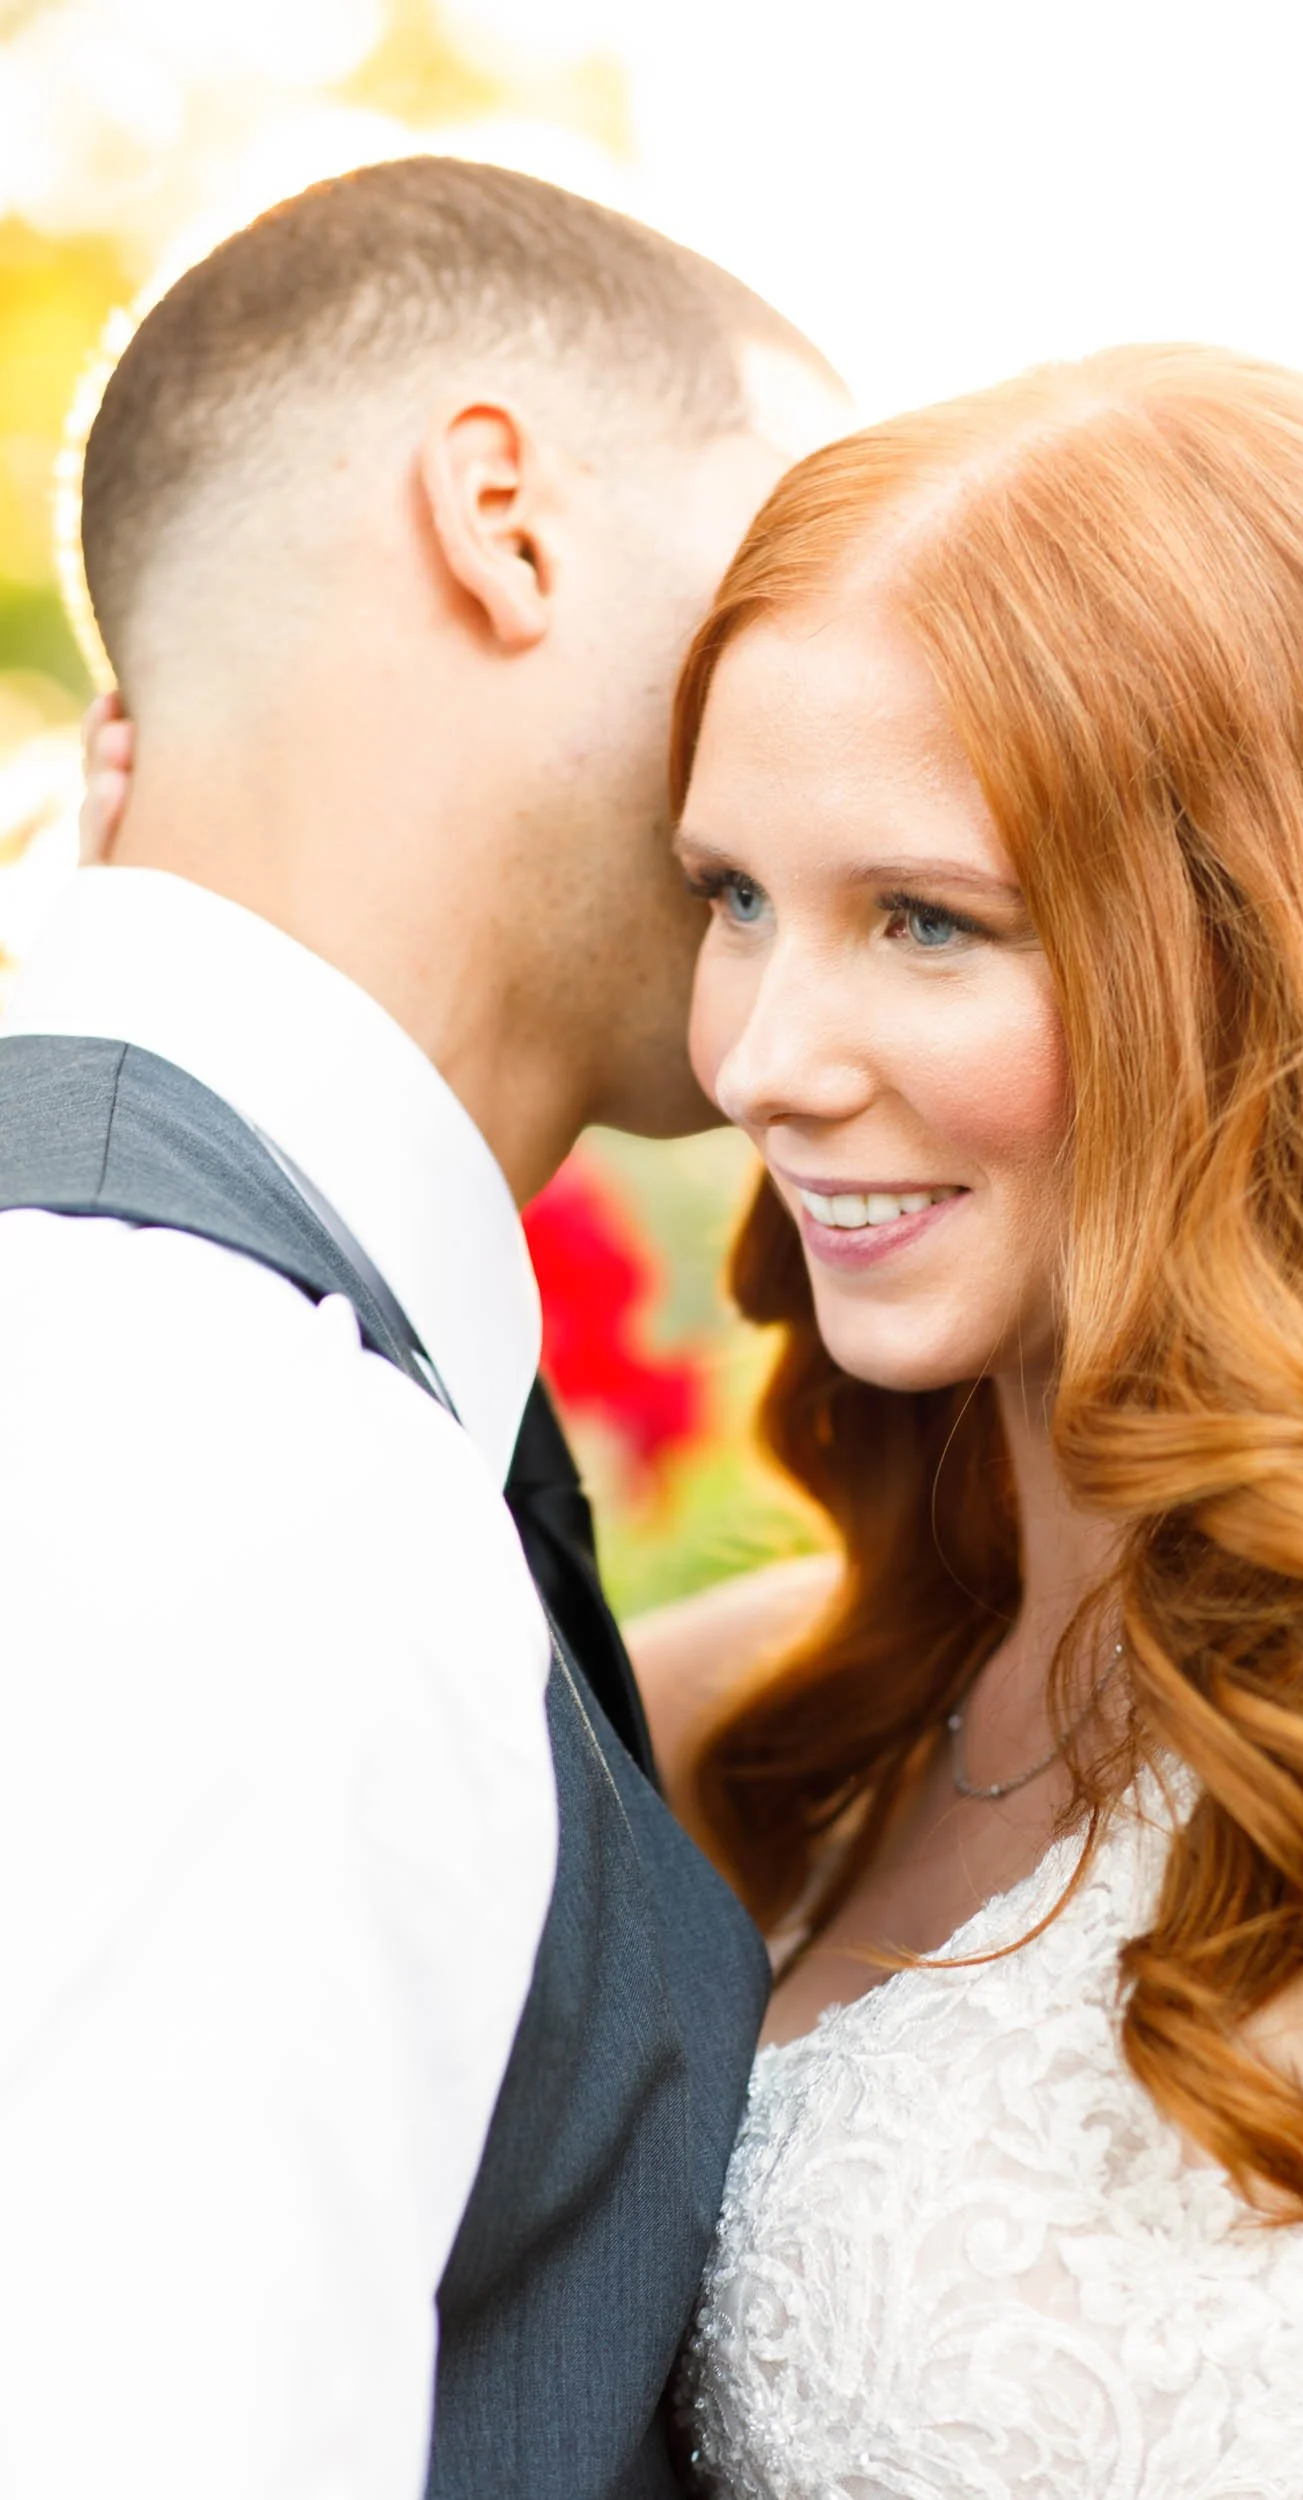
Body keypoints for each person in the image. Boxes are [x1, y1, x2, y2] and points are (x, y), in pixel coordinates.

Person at [624, 345, 1303, 2497]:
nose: (761, 1055)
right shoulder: (804, 1703)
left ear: (1255, 967)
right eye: (734, 897)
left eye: (923, 919)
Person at [0, 156, 849, 2500]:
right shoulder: (223, 1447)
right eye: (786, 556)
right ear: (504, 517)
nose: (876, 676)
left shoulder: (196, 1365)